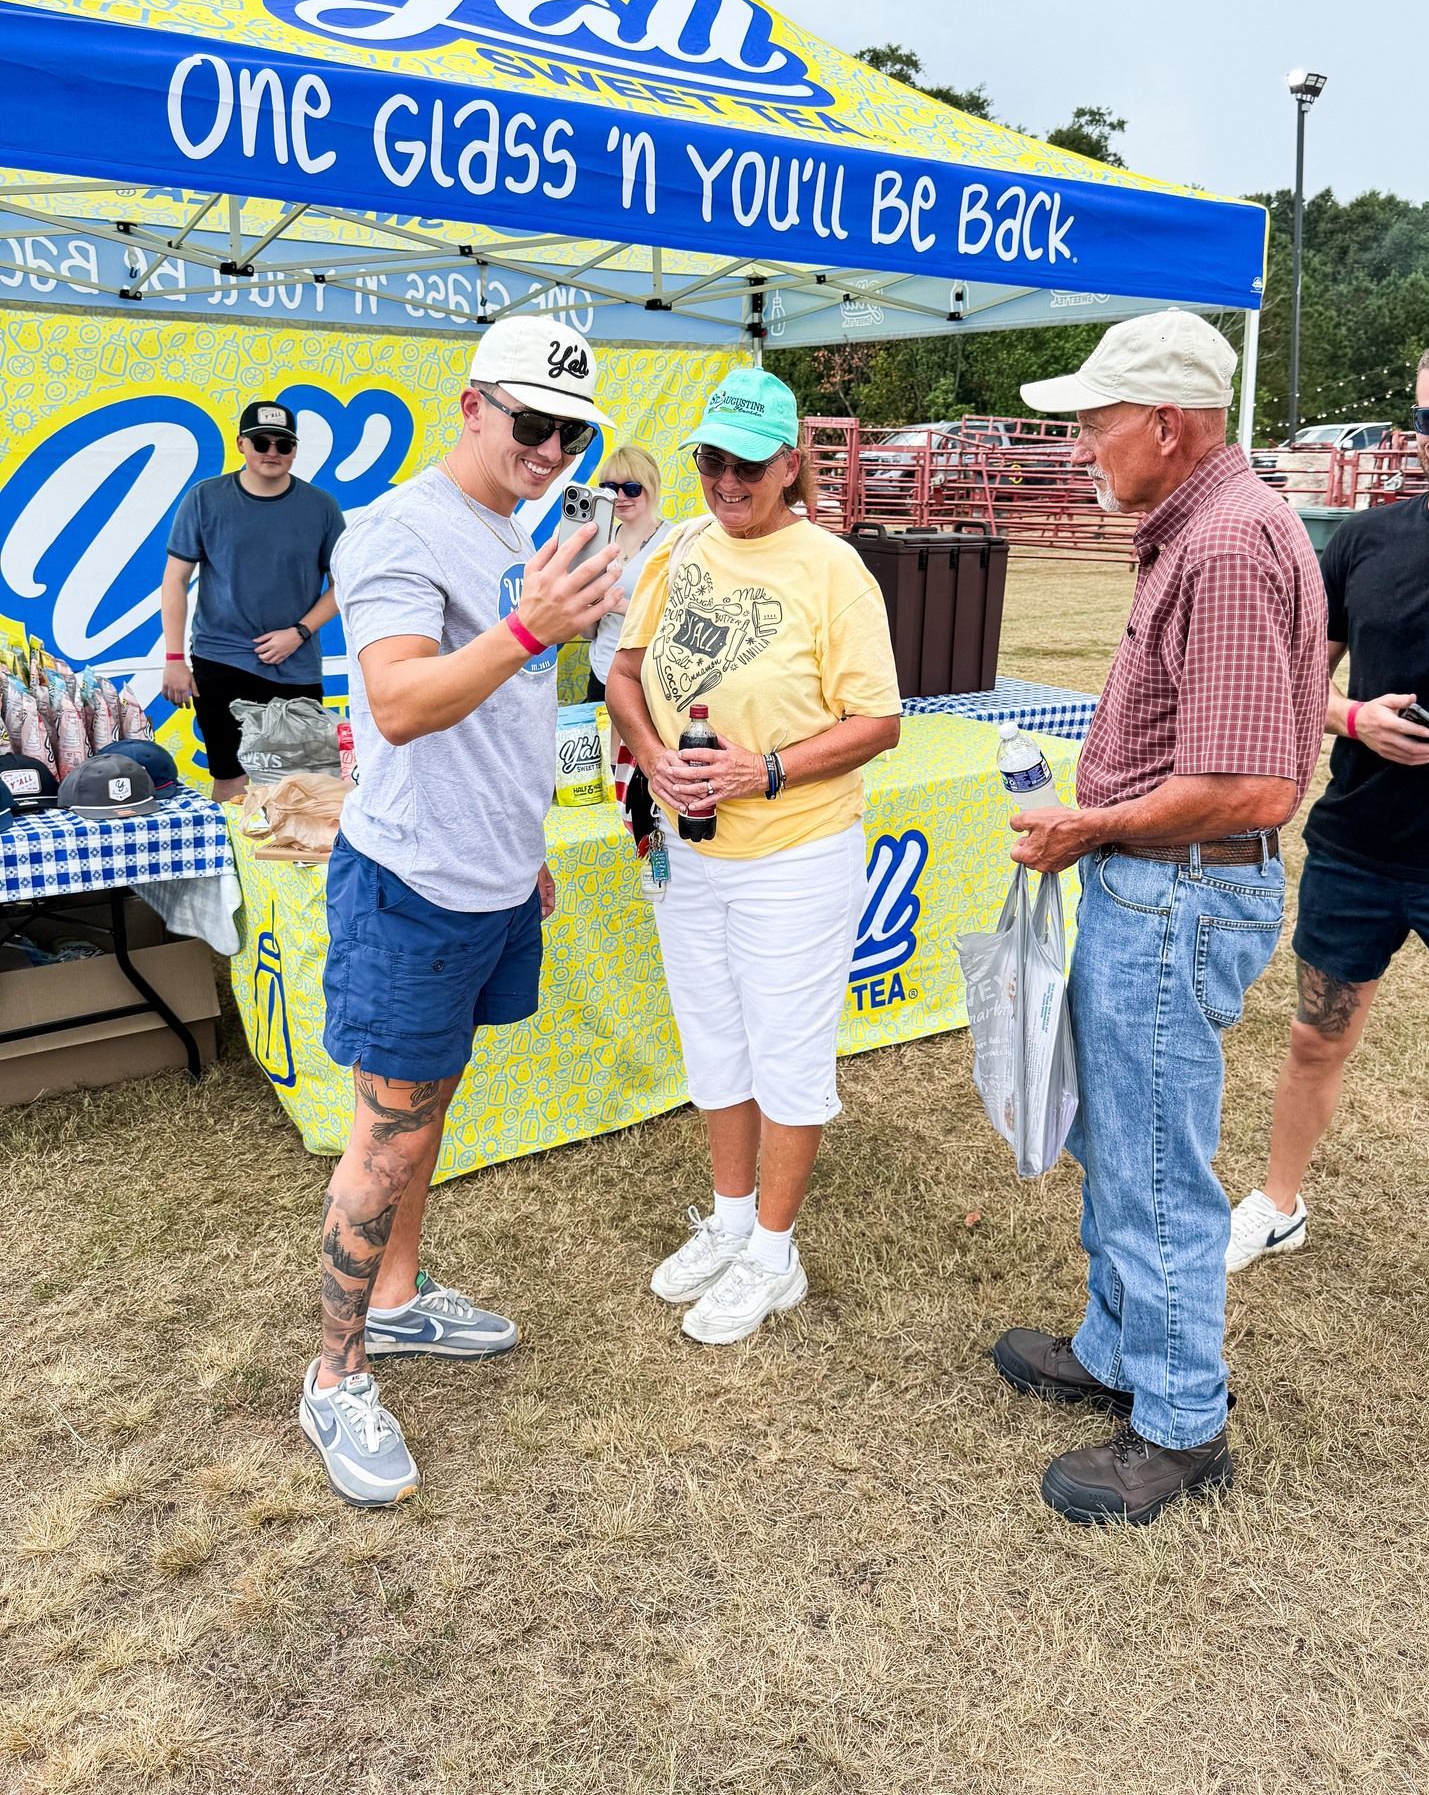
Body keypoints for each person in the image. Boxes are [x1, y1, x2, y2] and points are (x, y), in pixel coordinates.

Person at [993, 309, 1327, 1526]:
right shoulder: (1208, 524)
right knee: (1123, 1132)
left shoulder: (1227, 543)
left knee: (1148, 1155)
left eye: (1095, 419)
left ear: (1167, 423)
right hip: (1169, 878)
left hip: (1178, 884)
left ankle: (1180, 1417)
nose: (1083, 443)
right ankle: (1119, 1344)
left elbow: (1251, 784)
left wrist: (1092, 823)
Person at [297, 316, 621, 1508]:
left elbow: (512, 716)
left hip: (492, 875)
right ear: (473, 403)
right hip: (411, 886)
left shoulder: (525, 525)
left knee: (429, 1113)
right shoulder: (396, 527)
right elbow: (397, 701)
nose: (550, 448)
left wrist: (520, 844)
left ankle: (397, 1297)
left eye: (571, 429)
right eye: (531, 422)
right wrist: (532, 624)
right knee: (385, 1133)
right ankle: (334, 1372)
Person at [1228, 329, 1429, 1441]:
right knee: (1316, 1038)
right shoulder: (1363, 538)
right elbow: (1292, 677)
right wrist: (1355, 718)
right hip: (1360, 843)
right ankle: (1278, 1202)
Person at [606, 367, 900, 1345]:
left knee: (786, 1048)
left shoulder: (832, 569)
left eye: (743, 463)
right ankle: (731, 1217)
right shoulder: (681, 545)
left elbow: (878, 721)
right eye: (708, 460)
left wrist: (762, 770)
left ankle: (776, 1252)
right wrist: (653, 759)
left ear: (787, 465)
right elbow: (627, 669)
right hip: (686, 849)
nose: (723, 480)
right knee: (713, 1036)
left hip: (793, 852)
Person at [161, 400, 344, 801]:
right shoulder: (205, 498)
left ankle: (290, 866)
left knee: (301, 786)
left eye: (283, 444)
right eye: (262, 442)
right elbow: (175, 580)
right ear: (242, 444)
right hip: (221, 659)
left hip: (295, 665)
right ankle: (235, 865)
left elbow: (343, 584)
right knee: (230, 779)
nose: (272, 453)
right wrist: (174, 660)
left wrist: (299, 632)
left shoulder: (322, 507)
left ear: (294, 450)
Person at [583, 444, 671, 702]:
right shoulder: (597, 540)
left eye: (631, 488)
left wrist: (619, 604)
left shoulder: (674, 541)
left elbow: (681, 621)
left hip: (650, 678)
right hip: (601, 672)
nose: (619, 497)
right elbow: (589, 632)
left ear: (651, 487)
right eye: (609, 488)